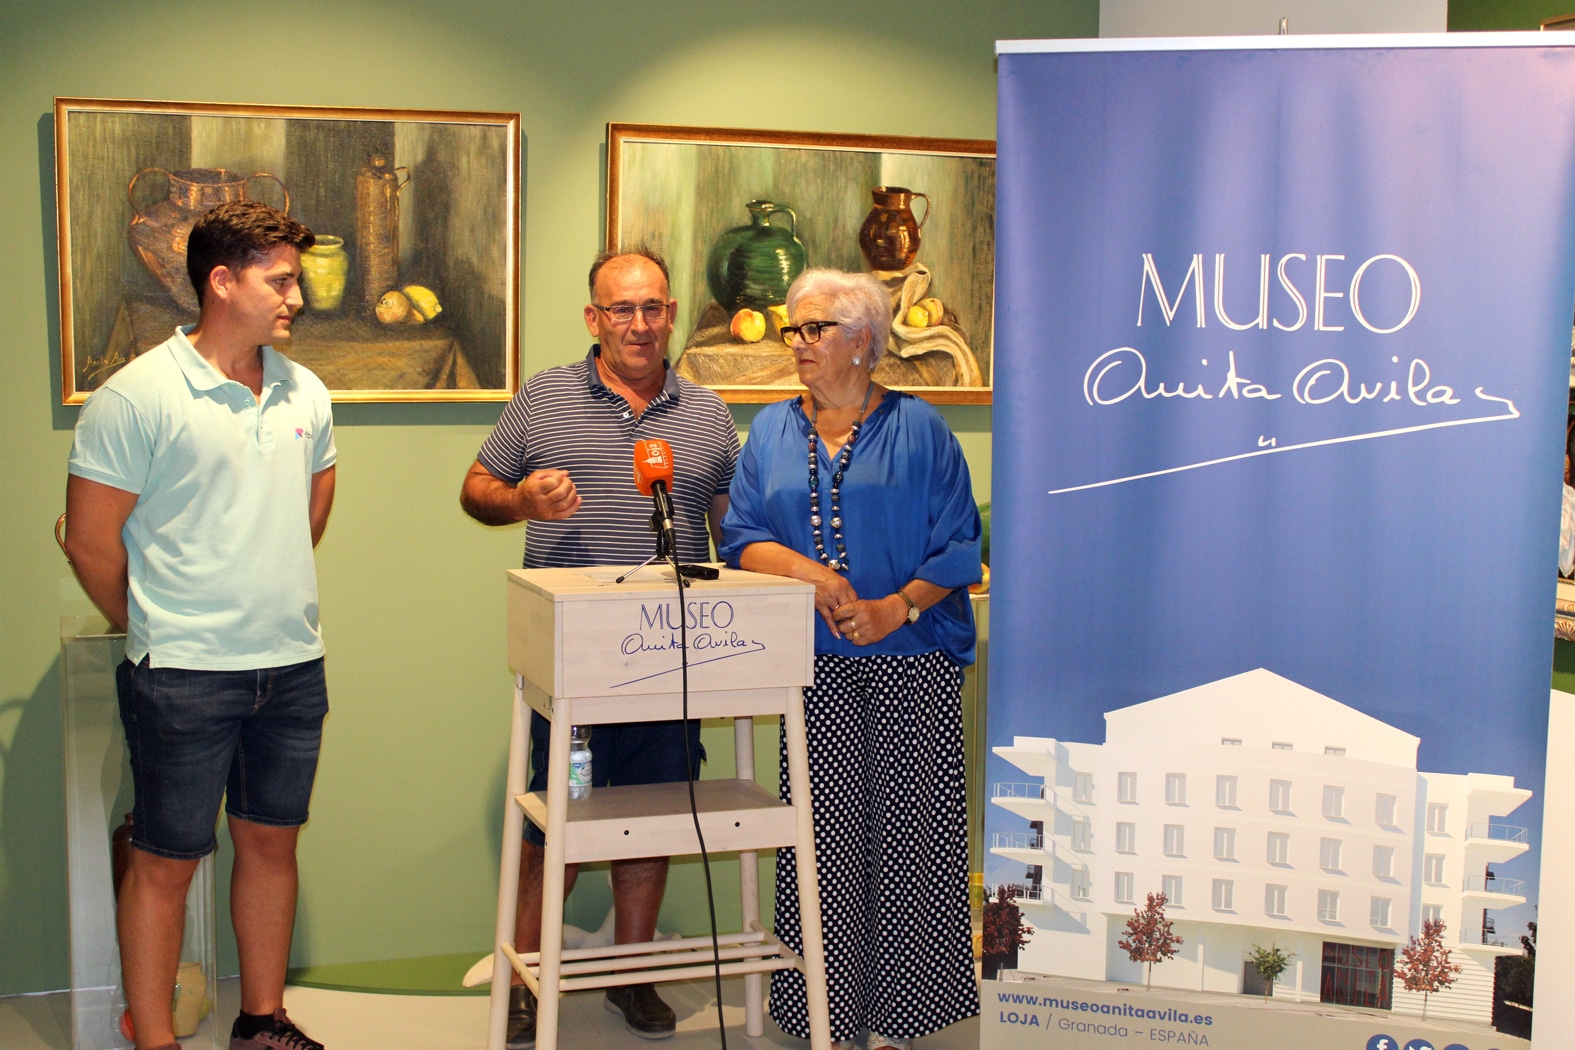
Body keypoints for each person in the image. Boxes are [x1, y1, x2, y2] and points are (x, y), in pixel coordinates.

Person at [65, 200, 336, 1050]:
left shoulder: (306, 390)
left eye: (295, 280)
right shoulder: (136, 396)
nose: (296, 297)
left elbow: (312, 504)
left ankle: (261, 1022)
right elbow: (89, 542)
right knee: (164, 863)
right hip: (181, 675)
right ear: (221, 282)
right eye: (280, 281)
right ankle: (156, 1041)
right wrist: (160, 624)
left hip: (291, 666)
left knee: (271, 847)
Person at [459, 248, 739, 1046]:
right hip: (572, 669)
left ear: (671, 314)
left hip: (670, 661)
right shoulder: (545, 396)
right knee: (561, 812)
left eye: (653, 308)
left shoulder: (709, 415)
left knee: (653, 812)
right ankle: (524, 976)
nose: (639, 325)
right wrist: (521, 499)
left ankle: (632, 972)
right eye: (622, 309)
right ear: (594, 317)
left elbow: (732, 528)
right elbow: (475, 489)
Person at [719, 268, 981, 1050]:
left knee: (908, 839)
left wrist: (894, 606)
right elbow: (741, 538)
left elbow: (958, 544)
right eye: (792, 330)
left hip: (913, 661)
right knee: (823, 843)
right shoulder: (769, 430)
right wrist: (814, 576)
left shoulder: (921, 428)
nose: (797, 343)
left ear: (863, 341)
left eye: (815, 329)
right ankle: (825, 1018)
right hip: (812, 664)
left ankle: (898, 1021)